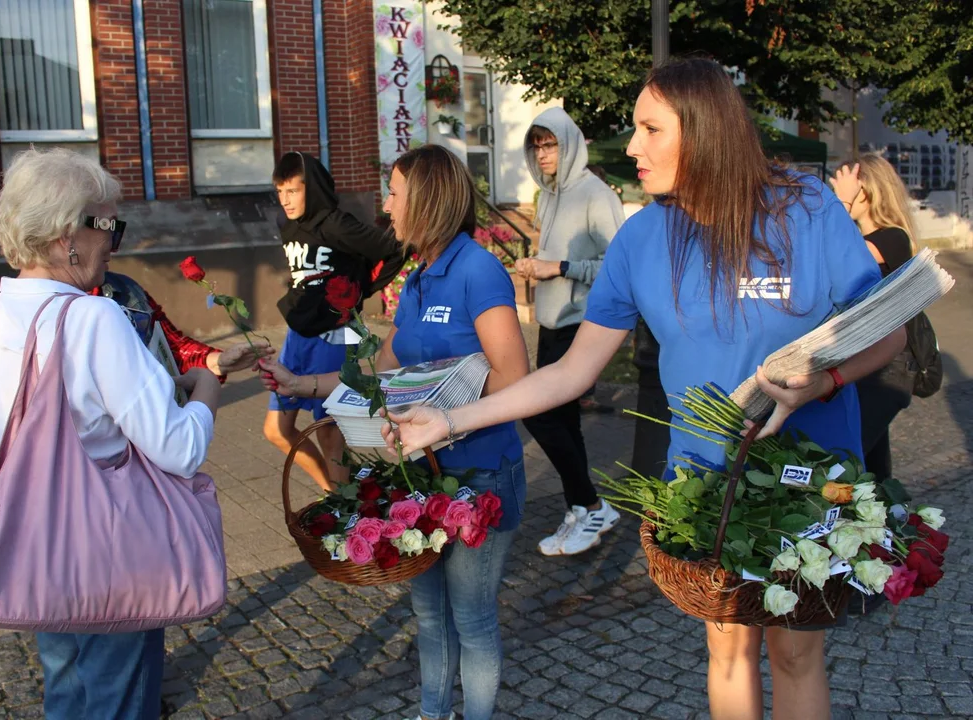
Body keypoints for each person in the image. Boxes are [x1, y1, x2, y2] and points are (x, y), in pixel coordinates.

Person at [383, 59, 906, 720]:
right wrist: (449, 423)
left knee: (796, 654)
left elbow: (886, 335)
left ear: (703, 130)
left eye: (649, 128)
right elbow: (571, 372)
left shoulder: (804, 208)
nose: (631, 146)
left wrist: (822, 381)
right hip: (705, 487)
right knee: (728, 650)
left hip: (807, 476)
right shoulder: (641, 239)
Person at [261, 145, 529, 720]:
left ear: (427, 201)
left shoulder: (477, 270)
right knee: (430, 616)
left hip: (481, 472)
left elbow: (514, 379)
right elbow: (377, 371)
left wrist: (443, 406)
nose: (386, 205)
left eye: (395, 192)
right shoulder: (419, 278)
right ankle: (434, 713)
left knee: (473, 619)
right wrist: (300, 384)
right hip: (421, 476)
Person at [0, 147, 222, 719]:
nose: (115, 241)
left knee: (65, 685)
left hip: (37, 539)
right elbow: (179, 447)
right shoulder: (94, 317)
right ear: (67, 237)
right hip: (109, 544)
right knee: (119, 695)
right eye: (109, 224)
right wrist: (205, 388)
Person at [514, 108, 625, 556]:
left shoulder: (596, 194)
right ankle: (581, 508)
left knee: (538, 413)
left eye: (550, 144)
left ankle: (592, 505)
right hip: (552, 322)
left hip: (582, 324)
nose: (542, 154)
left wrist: (559, 268)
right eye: (536, 145)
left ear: (570, 143)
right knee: (563, 422)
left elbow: (620, 267)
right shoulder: (550, 195)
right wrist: (539, 269)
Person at [266, 152, 405, 491]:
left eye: (293, 191)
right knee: (276, 430)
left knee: (329, 431)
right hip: (298, 336)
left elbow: (393, 248)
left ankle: (343, 509)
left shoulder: (335, 223)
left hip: (337, 335)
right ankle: (333, 492)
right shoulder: (288, 227)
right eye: (280, 192)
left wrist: (360, 290)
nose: (285, 200)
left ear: (310, 188)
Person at [830, 155, 918, 481]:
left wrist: (840, 202)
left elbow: (837, 254)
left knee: (845, 466)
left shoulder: (893, 237)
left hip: (888, 366)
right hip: (864, 362)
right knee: (873, 469)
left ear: (868, 191)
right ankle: (890, 525)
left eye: (851, 188)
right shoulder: (862, 238)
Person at [91, 271, 266, 379]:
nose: (113, 243)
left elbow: (172, 347)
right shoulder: (67, 306)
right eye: (105, 225)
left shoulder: (126, 289)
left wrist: (219, 362)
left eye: (116, 228)